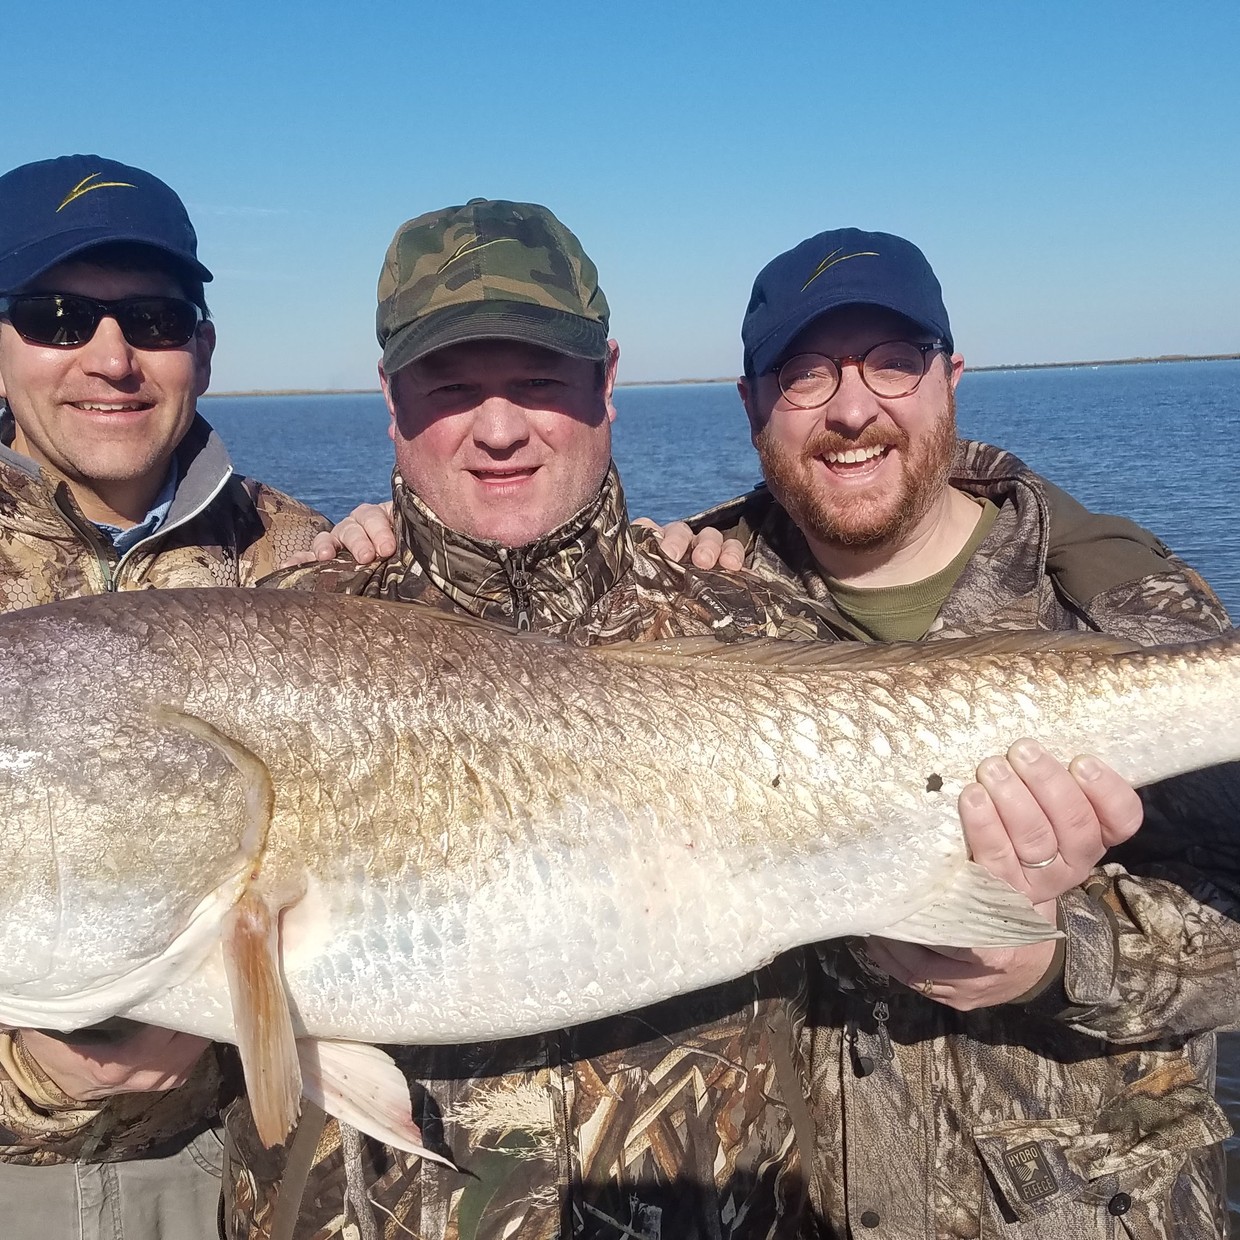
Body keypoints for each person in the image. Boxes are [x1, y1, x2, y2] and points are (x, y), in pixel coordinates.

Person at [218, 200, 1142, 1240]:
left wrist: (1019, 948)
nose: (499, 425)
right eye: (449, 384)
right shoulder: (277, 636)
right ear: (390, 398)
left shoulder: (763, 624)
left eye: (537, 380)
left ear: (607, 378)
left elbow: (871, 982)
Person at [0, 154, 327, 1239]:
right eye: (55, 316)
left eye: (152, 317)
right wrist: (30, 1072)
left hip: (221, 1183)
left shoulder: (312, 567)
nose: (111, 357)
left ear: (204, 346)